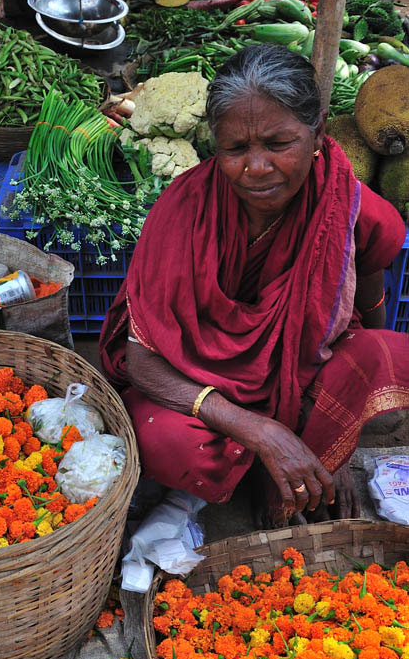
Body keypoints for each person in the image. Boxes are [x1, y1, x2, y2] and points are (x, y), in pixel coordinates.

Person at [99, 43, 409, 525]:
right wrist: (259, 430)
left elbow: (366, 322)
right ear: (215, 146)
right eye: (236, 149)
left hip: (305, 374)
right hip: (202, 378)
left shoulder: (354, 212)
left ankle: (301, 464)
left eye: (278, 143)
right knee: (166, 442)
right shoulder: (183, 212)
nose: (257, 168)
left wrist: (339, 438)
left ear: (317, 133)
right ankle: (268, 458)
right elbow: (142, 360)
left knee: (383, 354)